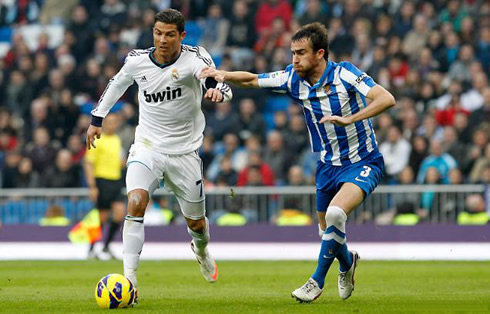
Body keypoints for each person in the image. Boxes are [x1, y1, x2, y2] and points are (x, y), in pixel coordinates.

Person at [199, 22, 395, 303]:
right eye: (292, 53)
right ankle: (347, 262)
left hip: (363, 160)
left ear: (320, 53)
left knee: (336, 216)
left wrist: (351, 118)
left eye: (301, 53)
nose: (294, 59)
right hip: (327, 166)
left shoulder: (345, 74)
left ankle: (316, 281)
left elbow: (386, 98)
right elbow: (254, 80)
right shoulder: (293, 79)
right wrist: (223, 74)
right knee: (325, 230)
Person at [86, 9, 232, 304]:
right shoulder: (137, 60)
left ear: (182, 35)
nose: (162, 40)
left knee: (197, 225)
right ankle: (130, 281)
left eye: (169, 34)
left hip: (184, 153)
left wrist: (218, 93)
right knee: (135, 202)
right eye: (157, 33)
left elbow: (217, 82)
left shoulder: (195, 57)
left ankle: (201, 250)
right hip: (147, 148)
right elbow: (117, 84)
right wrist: (97, 118)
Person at [83, 113, 126, 259]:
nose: (113, 125)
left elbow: (120, 162)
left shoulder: (117, 140)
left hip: (116, 180)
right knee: (101, 218)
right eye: (110, 122)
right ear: (104, 123)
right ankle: (92, 247)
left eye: (115, 122)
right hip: (101, 180)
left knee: (120, 213)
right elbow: (89, 163)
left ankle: (106, 246)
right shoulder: (97, 139)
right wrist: (92, 186)